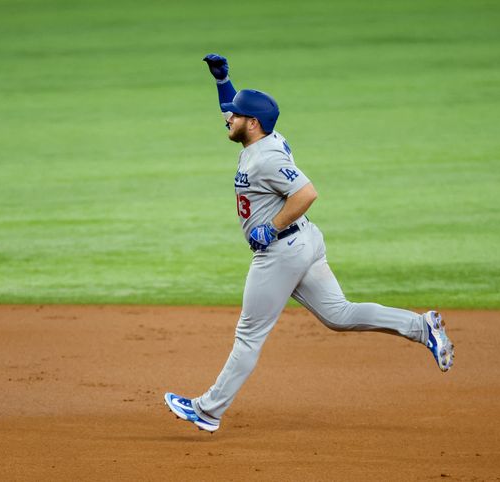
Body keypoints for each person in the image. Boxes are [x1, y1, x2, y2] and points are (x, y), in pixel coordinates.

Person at [164, 54, 454, 433]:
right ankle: (421, 326)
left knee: (249, 336)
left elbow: (307, 192)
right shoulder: (266, 138)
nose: (227, 118)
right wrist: (223, 81)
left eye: (234, 115)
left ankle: (208, 410)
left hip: (281, 252)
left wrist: (270, 227)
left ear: (252, 123)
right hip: (304, 242)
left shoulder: (264, 159)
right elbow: (231, 110)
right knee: (339, 315)